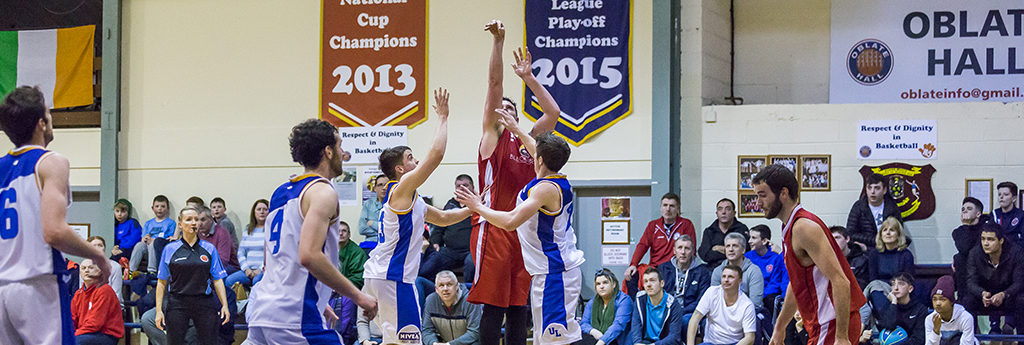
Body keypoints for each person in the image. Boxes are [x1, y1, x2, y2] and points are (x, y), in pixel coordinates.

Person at [245, 118, 378, 343]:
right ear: (328, 151)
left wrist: (319, 297)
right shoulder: (322, 193)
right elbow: (309, 255)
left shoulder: (281, 192)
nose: (343, 153)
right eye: (339, 146)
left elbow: (273, 260)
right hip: (293, 317)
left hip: (262, 310)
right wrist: (359, 297)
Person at [471, 19, 560, 345]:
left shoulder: (529, 141)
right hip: (494, 228)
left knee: (519, 307)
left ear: (517, 118)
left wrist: (529, 78)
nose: (504, 111)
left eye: (510, 109)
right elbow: (494, 84)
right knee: (494, 309)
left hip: (524, 231)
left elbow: (553, 113)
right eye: (500, 109)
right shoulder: (492, 139)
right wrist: (498, 42)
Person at [0, 86, 111, 344]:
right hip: (38, 285)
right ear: (41, 123)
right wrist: (97, 255)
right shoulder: (51, 162)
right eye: (49, 113)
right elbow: (54, 231)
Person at [365, 88, 472, 345]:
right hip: (392, 278)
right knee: (409, 341)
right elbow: (435, 157)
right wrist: (443, 118)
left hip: (387, 277)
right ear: (400, 169)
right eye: (411, 158)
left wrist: (477, 208)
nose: (417, 161)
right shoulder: (400, 190)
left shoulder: (412, 198)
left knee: (394, 341)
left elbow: (445, 219)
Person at [457, 131, 584, 345]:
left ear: (540, 160)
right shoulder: (554, 178)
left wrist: (478, 207)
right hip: (550, 272)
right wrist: (515, 127)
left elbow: (510, 222)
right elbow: (538, 151)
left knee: (556, 341)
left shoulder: (545, 189)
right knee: (544, 339)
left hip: (555, 273)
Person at [754, 164, 865, 345]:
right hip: (822, 324)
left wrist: (842, 337)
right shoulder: (789, 226)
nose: (758, 203)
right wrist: (780, 326)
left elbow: (841, 281)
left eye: (762, 195)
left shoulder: (803, 227)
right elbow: (796, 284)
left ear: (783, 193)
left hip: (833, 323)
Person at [153, 207, 231, 345]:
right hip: (177, 302)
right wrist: (159, 310)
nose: (194, 223)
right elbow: (162, 282)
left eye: (196, 219)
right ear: (180, 224)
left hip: (204, 302)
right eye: (188, 220)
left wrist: (224, 305)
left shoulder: (209, 249)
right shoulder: (170, 249)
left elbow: (217, 280)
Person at [625, 192, 696, 296]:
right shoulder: (653, 225)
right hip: (656, 268)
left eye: (672, 206)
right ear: (661, 207)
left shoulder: (686, 224)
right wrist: (633, 264)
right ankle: (637, 308)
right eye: (665, 205)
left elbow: (691, 249)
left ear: (678, 208)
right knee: (632, 275)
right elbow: (642, 245)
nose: (668, 209)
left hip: (676, 268)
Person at [963, 223, 1024, 335]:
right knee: (968, 300)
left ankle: (1021, 340)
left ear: (1001, 241)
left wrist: (1004, 294)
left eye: (991, 239)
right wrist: (981, 293)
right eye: (983, 239)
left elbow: (1019, 282)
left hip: (1008, 296)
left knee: (1022, 299)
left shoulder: (1016, 252)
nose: (985, 243)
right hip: (985, 297)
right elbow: (971, 281)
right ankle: (971, 340)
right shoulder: (975, 253)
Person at [420, 174, 476, 280]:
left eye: (465, 185)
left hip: (470, 250)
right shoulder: (450, 205)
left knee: (471, 263)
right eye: (458, 186)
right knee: (435, 258)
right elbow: (439, 227)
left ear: (472, 187)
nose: (462, 188)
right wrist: (436, 242)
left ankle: (469, 293)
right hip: (451, 250)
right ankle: (437, 290)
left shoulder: (478, 205)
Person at [687, 265, 757, 345]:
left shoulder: (747, 305)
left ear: (739, 281)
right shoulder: (712, 292)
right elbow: (694, 319)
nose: (726, 280)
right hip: (710, 343)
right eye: (724, 276)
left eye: (730, 277)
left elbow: (750, 337)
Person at [657, 235, 711, 337]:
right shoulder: (663, 268)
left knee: (686, 321)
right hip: (667, 309)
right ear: (674, 250)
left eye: (687, 248)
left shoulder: (702, 271)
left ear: (692, 251)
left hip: (689, 312)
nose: (683, 252)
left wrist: (681, 311)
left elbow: (702, 300)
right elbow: (658, 293)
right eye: (680, 248)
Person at [71, 259, 125, 345]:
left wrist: (73, 335)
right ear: (80, 273)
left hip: (106, 334)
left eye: (91, 267)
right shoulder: (78, 294)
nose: (87, 270)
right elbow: (72, 319)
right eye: (83, 268)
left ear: (100, 271)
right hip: (85, 333)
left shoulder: (104, 290)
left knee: (75, 342)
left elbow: (95, 324)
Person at [421, 270, 482, 345]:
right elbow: (427, 330)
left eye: (449, 284)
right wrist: (434, 343)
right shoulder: (431, 301)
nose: (445, 289)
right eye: (441, 285)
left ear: (457, 286)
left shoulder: (471, 301)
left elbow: (474, 332)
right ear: (436, 289)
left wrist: (450, 344)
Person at [333, 220, 369, 345]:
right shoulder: (327, 248)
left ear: (349, 234)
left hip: (348, 290)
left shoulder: (357, 252)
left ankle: (344, 338)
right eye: (338, 231)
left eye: (344, 231)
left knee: (346, 302)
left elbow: (359, 277)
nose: (341, 234)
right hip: (329, 289)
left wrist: (341, 286)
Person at [845, 173, 902, 252]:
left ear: (884, 190)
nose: (872, 192)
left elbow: (898, 232)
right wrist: (876, 240)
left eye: (877, 188)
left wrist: (880, 240)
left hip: (887, 249)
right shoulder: (858, 207)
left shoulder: (892, 207)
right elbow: (850, 234)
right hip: (864, 251)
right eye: (869, 188)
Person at [868, 273, 929, 345]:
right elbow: (888, 327)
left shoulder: (920, 310)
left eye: (901, 284)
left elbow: (918, 340)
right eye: (893, 284)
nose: (896, 288)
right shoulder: (888, 306)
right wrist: (893, 303)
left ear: (910, 289)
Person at [630, 267, 683, 345]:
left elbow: (674, 337)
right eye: (645, 281)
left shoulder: (672, 303)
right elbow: (636, 326)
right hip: (645, 342)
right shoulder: (640, 298)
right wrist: (637, 343)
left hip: (663, 343)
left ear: (662, 283)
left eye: (652, 280)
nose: (648, 285)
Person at [710, 233, 764, 308]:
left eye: (735, 246)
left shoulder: (754, 271)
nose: (731, 249)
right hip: (723, 313)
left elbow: (755, 303)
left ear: (743, 250)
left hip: (748, 313)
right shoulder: (718, 271)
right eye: (728, 246)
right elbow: (714, 299)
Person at [581, 269, 633, 345]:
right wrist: (592, 331)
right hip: (597, 338)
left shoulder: (624, 300)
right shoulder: (593, 302)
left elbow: (618, 325)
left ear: (614, 284)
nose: (601, 286)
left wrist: (602, 341)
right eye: (598, 284)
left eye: (605, 283)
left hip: (616, 340)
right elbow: (583, 323)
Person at [225, 199, 268, 289]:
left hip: (263, 270)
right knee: (229, 281)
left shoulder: (271, 229)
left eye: (265, 209)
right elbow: (241, 252)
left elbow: (270, 254)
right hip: (247, 270)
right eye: (259, 209)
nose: (262, 212)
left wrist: (259, 270)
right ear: (254, 212)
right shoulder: (248, 229)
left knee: (257, 282)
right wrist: (246, 269)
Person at [745, 224, 788, 313]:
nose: (749, 241)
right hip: (750, 292)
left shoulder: (775, 257)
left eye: (753, 238)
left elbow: (775, 283)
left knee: (771, 300)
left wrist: (760, 295)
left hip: (767, 295)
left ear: (764, 241)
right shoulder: (747, 257)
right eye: (749, 237)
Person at [130, 195, 177, 274]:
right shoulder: (148, 223)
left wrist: (153, 240)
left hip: (159, 250)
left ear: (167, 208)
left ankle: (152, 271)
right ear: (153, 208)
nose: (159, 208)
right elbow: (143, 238)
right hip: (147, 250)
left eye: (163, 206)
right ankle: (131, 270)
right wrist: (145, 239)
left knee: (153, 244)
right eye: (157, 206)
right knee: (139, 245)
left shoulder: (171, 223)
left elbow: (170, 239)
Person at [926, 275, 978, 345]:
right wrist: (936, 331)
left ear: (951, 302)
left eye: (942, 299)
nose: (937, 303)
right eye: (934, 299)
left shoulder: (965, 317)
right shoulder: (930, 319)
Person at [698, 198, 748, 269]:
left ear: (734, 213)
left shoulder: (741, 229)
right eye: (720, 209)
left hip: (737, 269)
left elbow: (746, 252)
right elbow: (705, 255)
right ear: (717, 213)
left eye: (728, 209)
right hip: (713, 270)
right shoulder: (709, 231)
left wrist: (719, 248)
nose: (723, 212)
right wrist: (732, 252)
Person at [952, 197, 986, 294]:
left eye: (969, 209)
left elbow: (977, 251)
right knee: (959, 258)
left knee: (959, 258)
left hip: (983, 273)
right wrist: (966, 225)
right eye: (963, 209)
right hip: (965, 275)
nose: (965, 211)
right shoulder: (958, 232)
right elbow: (965, 248)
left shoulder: (986, 230)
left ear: (978, 214)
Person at [867, 217, 914, 284]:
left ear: (898, 235)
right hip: (879, 288)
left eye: (892, 230)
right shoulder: (874, 254)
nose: (888, 233)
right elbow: (873, 280)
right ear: (881, 235)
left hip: (899, 289)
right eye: (885, 230)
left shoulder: (906, 255)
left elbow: (907, 281)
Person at [197, 206, 239, 274]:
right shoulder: (197, 233)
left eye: (203, 220)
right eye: (197, 220)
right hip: (205, 266)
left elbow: (223, 260)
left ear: (211, 219)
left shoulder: (222, 233)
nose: (199, 224)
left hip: (228, 266)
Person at [829, 226, 869, 291]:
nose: (834, 241)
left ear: (847, 239)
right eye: (831, 238)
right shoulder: (828, 261)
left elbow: (862, 284)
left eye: (837, 237)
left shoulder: (861, 260)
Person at [86, 236, 124, 304]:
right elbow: (82, 293)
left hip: (111, 306)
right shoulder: (84, 267)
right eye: (94, 245)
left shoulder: (115, 267)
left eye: (100, 245)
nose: (97, 248)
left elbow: (116, 295)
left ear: (104, 248)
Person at [993, 181, 1023, 246]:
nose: (1001, 197)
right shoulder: (993, 214)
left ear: (1014, 198)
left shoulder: (1021, 215)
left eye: (1005, 194)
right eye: (999, 194)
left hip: (1017, 253)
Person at [360, 175, 388, 243]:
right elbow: (362, 229)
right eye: (380, 185)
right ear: (375, 188)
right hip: (371, 242)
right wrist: (383, 230)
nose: (384, 188)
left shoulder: (396, 204)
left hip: (389, 243)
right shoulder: (368, 204)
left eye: (386, 185)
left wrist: (372, 223)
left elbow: (394, 230)